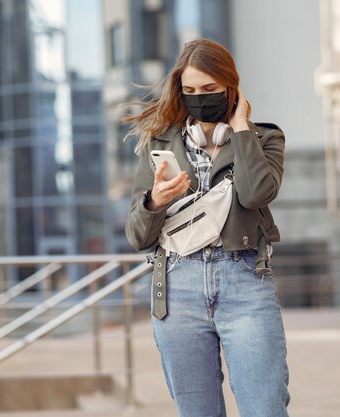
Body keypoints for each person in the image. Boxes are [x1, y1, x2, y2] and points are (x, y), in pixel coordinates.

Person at [124, 39, 290, 417]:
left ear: (232, 87)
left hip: (245, 282)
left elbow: (255, 194)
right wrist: (156, 201)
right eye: (191, 91)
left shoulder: (266, 139)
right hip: (177, 291)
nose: (200, 98)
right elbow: (137, 235)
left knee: (266, 409)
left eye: (211, 90)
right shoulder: (160, 143)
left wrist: (241, 128)